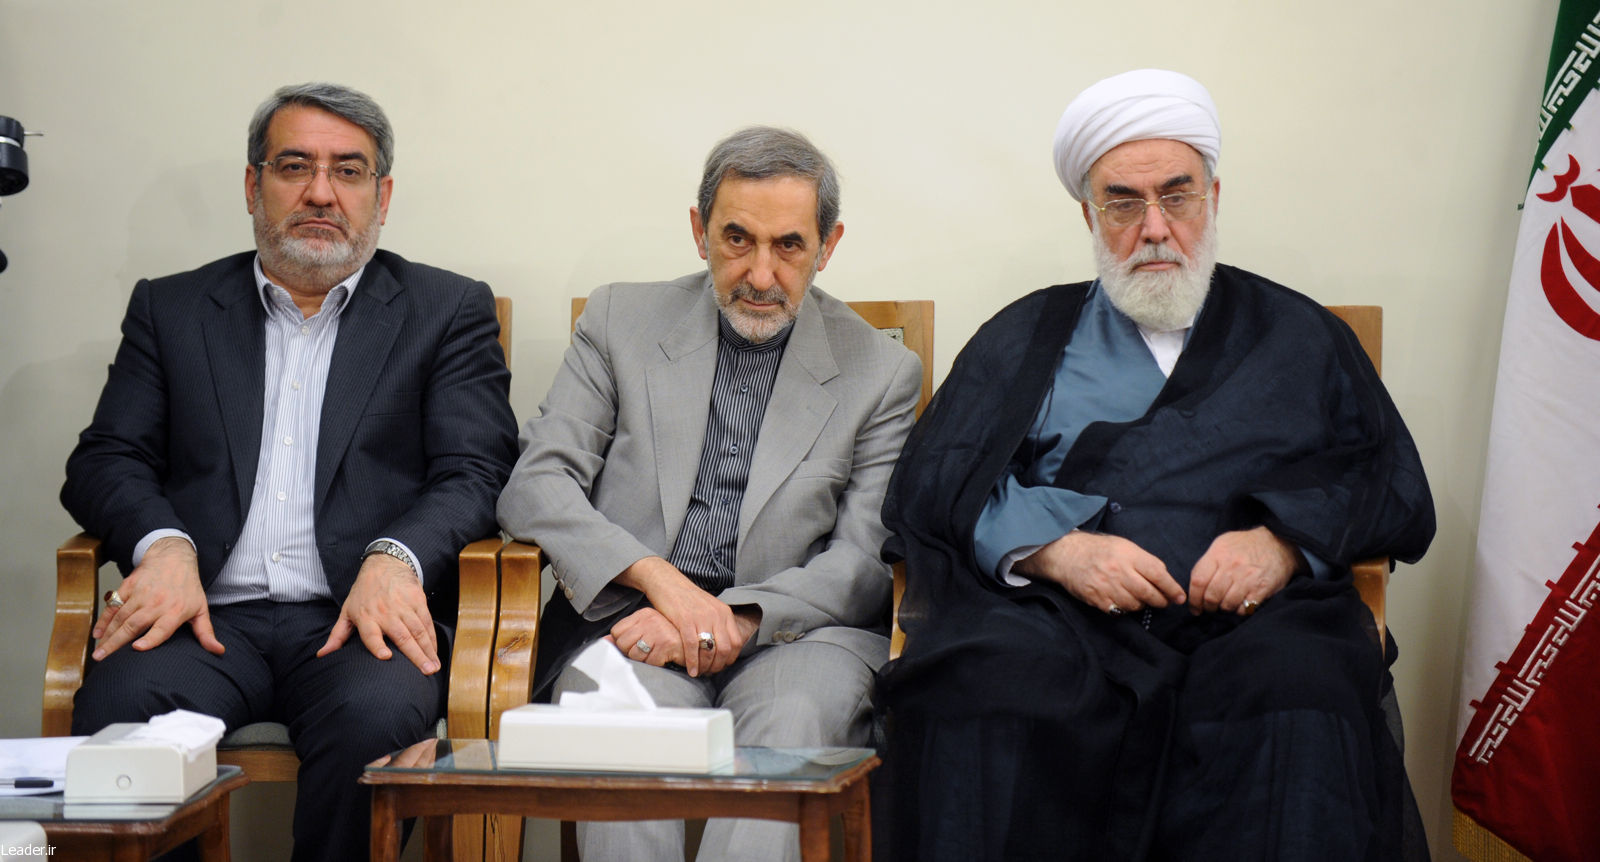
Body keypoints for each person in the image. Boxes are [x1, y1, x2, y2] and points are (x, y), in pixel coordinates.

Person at [876, 69, 1436, 862]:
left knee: (1302, 688)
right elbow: (938, 483)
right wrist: (1058, 550)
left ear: (1214, 197)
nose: (1154, 228)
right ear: (1088, 214)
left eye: (1177, 196)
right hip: (1061, 621)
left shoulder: (1300, 334)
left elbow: (1388, 482)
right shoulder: (1028, 335)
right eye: (1123, 203)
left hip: (1254, 620)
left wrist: (1282, 543)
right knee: (983, 684)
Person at [61, 82, 518, 862]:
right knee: (122, 710)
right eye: (295, 166)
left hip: (356, 621)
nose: (320, 193)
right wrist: (162, 546)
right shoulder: (173, 309)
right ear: (254, 185)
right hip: (204, 617)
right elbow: (107, 457)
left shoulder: (445, 310)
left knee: (375, 720)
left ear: (382, 197)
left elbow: (476, 470)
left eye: (348, 171)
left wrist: (394, 558)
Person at [497, 125, 921, 861]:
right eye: (737, 239)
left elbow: (862, 560)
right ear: (699, 231)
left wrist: (734, 618)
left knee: (791, 723)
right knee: (623, 729)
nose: (760, 274)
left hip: (799, 637)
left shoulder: (881, 371)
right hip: (631, 621)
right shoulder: (619, 321)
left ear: (827, 246)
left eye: (789, 245)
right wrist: (662, 584)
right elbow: (536, 483)